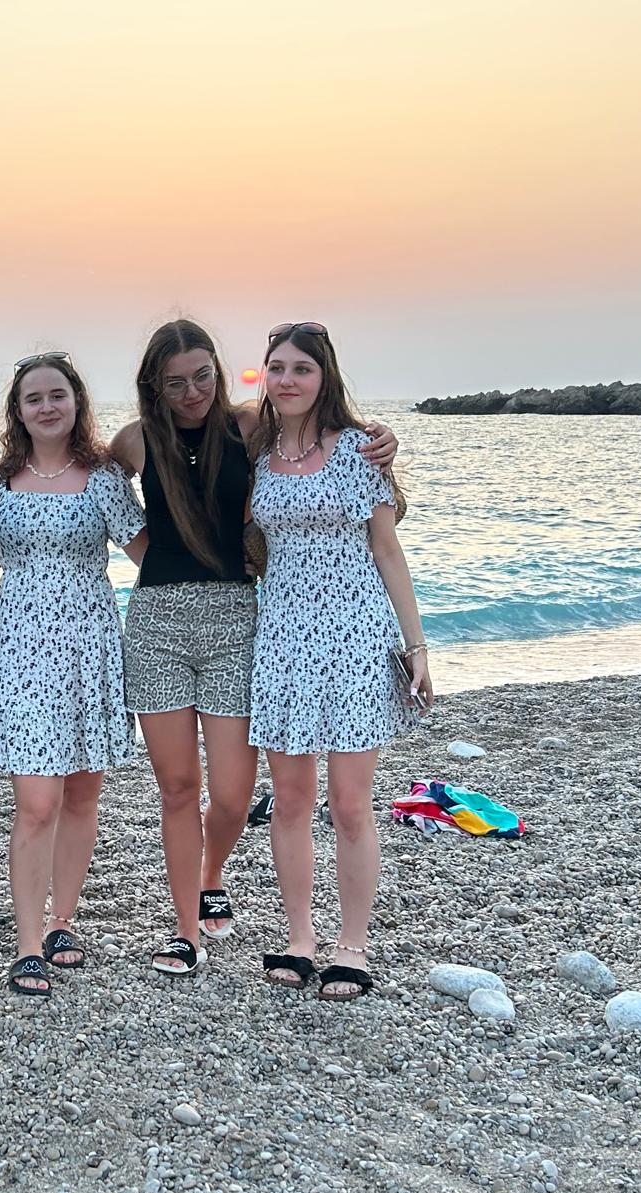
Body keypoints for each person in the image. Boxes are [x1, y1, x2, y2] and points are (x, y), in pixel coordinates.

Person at [109, 318, 398, 977]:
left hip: (238, 620)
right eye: (175, 383)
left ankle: (212, 871)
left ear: (219, 373)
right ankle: (187, 931)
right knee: (178, 787)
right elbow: (77, 471)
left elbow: (319, 449)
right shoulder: (134, 440)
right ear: (153, 385)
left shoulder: (247, 429)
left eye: (202, 377)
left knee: (235, 795)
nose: (192, 393)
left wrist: (381, 439)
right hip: (156, 623)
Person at [247, 321, 431, 1001]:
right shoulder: (257, 455)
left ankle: (352, 944)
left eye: (302, 368)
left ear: (325, 376)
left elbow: (387, 550)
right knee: (290, 800)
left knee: (351, 804)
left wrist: (416, 647)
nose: (287, 379)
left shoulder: (359, 451)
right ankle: (300, 938)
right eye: (276, 368)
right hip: (282, 640)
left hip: (355, 638)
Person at [0, 352, 147, 996]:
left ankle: (62, 921)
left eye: (57, 395)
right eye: (34, 398)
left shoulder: (103, 479)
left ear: (76, 402)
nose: (47, 406)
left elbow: (148, 552)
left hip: (90, 644)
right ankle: (27, 946)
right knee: (37, 802)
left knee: (80, 795)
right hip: (21, 649)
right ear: (17, 412)